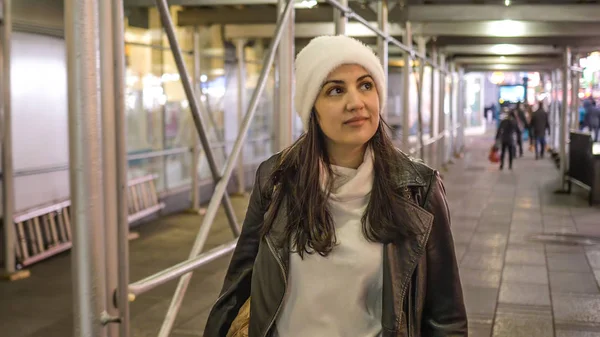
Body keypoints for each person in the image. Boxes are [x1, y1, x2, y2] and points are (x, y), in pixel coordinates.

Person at [203, 35, 467, 337]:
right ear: (311, 107)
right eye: (335, 90)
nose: (356, 103)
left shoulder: (419, 187)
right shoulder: (277, 179)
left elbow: (446, 317)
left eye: (365, 85)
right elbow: (238, 286)